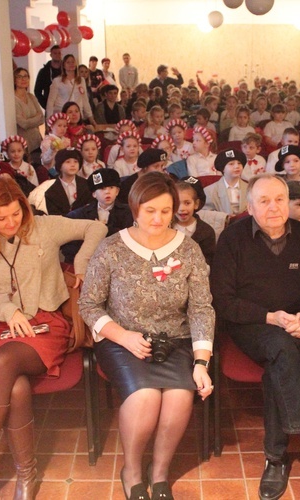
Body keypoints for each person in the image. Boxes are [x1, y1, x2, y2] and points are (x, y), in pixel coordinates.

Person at [0, 176, 106, 499]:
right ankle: (27, 476)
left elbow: (96, 228)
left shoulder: (43, 228)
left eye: (16, 214)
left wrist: (80, 262)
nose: (10, 223)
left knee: (4, 362)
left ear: (23, 207)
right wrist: (8, 311)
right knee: (16, 387)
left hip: (46, 323)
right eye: (1, 218)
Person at [211, 174, 300, 498]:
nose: (274, 207)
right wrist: (269, 317)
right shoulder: (232, 240)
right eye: (264, 201)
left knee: (281, 358)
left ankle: (275, 459)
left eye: (279, 199)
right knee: (280, 346)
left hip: (297, 327)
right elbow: (224, 301)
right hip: (251, 325)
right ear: (249, 207)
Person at [79, 172, 215, 500]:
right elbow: (89, 304)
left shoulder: (189, 249)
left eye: (166, 211)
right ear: (136, 207)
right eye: (150, 210)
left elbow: (201, 308)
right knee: (146, 397)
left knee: (179, 397)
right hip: (123, 340)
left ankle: (160, 472)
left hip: (175, 339)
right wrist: (122, 336)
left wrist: (201, 361)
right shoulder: (111, 248)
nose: (158, 218)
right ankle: (133, 470)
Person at [63, 167, 133, 263]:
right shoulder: (79, 215)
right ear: (94, 194)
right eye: (102, 188)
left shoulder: (129, 212)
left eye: (111, 188)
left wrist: (105, 230)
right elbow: (69, 246)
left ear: (117, 191)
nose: (107, 192)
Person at [45, 54, 94, 122]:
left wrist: (91, 118)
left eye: (73, 62)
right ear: (64, 65)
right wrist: (49, 120)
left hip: (77, 116)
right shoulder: (57, 81)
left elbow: (85, 100)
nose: (71, 64)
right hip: (62, 116)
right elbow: (50, 102)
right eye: (68, 62)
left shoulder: (81, 80)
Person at [203, 148, 248, 215]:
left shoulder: (250, 188)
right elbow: (206, 214)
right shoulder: (209, 191)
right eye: (231, 164)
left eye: (239, 163)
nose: (236, 166)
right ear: (222, 168)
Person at [13, 67, 44, 162]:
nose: (23, 79)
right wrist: (35, 118)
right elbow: (23, 124)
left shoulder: (31, 97)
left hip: (37, 141)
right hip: (23, 144)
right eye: (19, 77)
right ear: (14, 80)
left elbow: (42, 118)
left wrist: (28, 120)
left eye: (26, 76)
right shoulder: (13, 99)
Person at [34, 45, 62, 110]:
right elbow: (37, 91)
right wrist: (46, 105)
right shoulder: (43, 72)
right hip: (50, 105)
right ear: (51, 55)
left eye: (59, 53)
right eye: (55, 53)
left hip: (64, 105)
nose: (57, 55)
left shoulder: (66, 70)